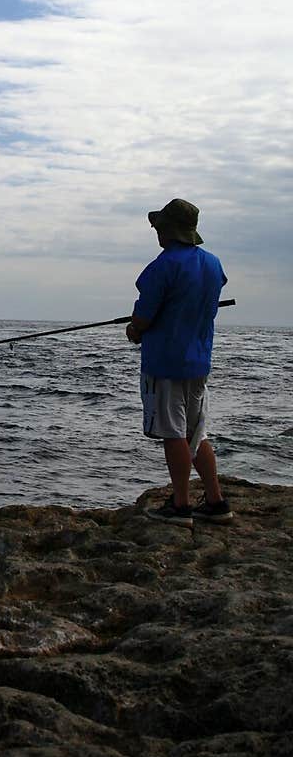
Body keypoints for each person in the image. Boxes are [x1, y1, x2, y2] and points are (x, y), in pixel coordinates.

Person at [126, 198, 233, 527]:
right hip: (199, 361)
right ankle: (215, 502)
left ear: (167, 231)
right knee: (195, 433)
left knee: (173, 433)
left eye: (158, 227)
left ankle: (181, 505)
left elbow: (143, 317)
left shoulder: (163, 266)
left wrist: (134, 330)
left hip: (166, 362)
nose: (156, 233)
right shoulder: (213, 264)